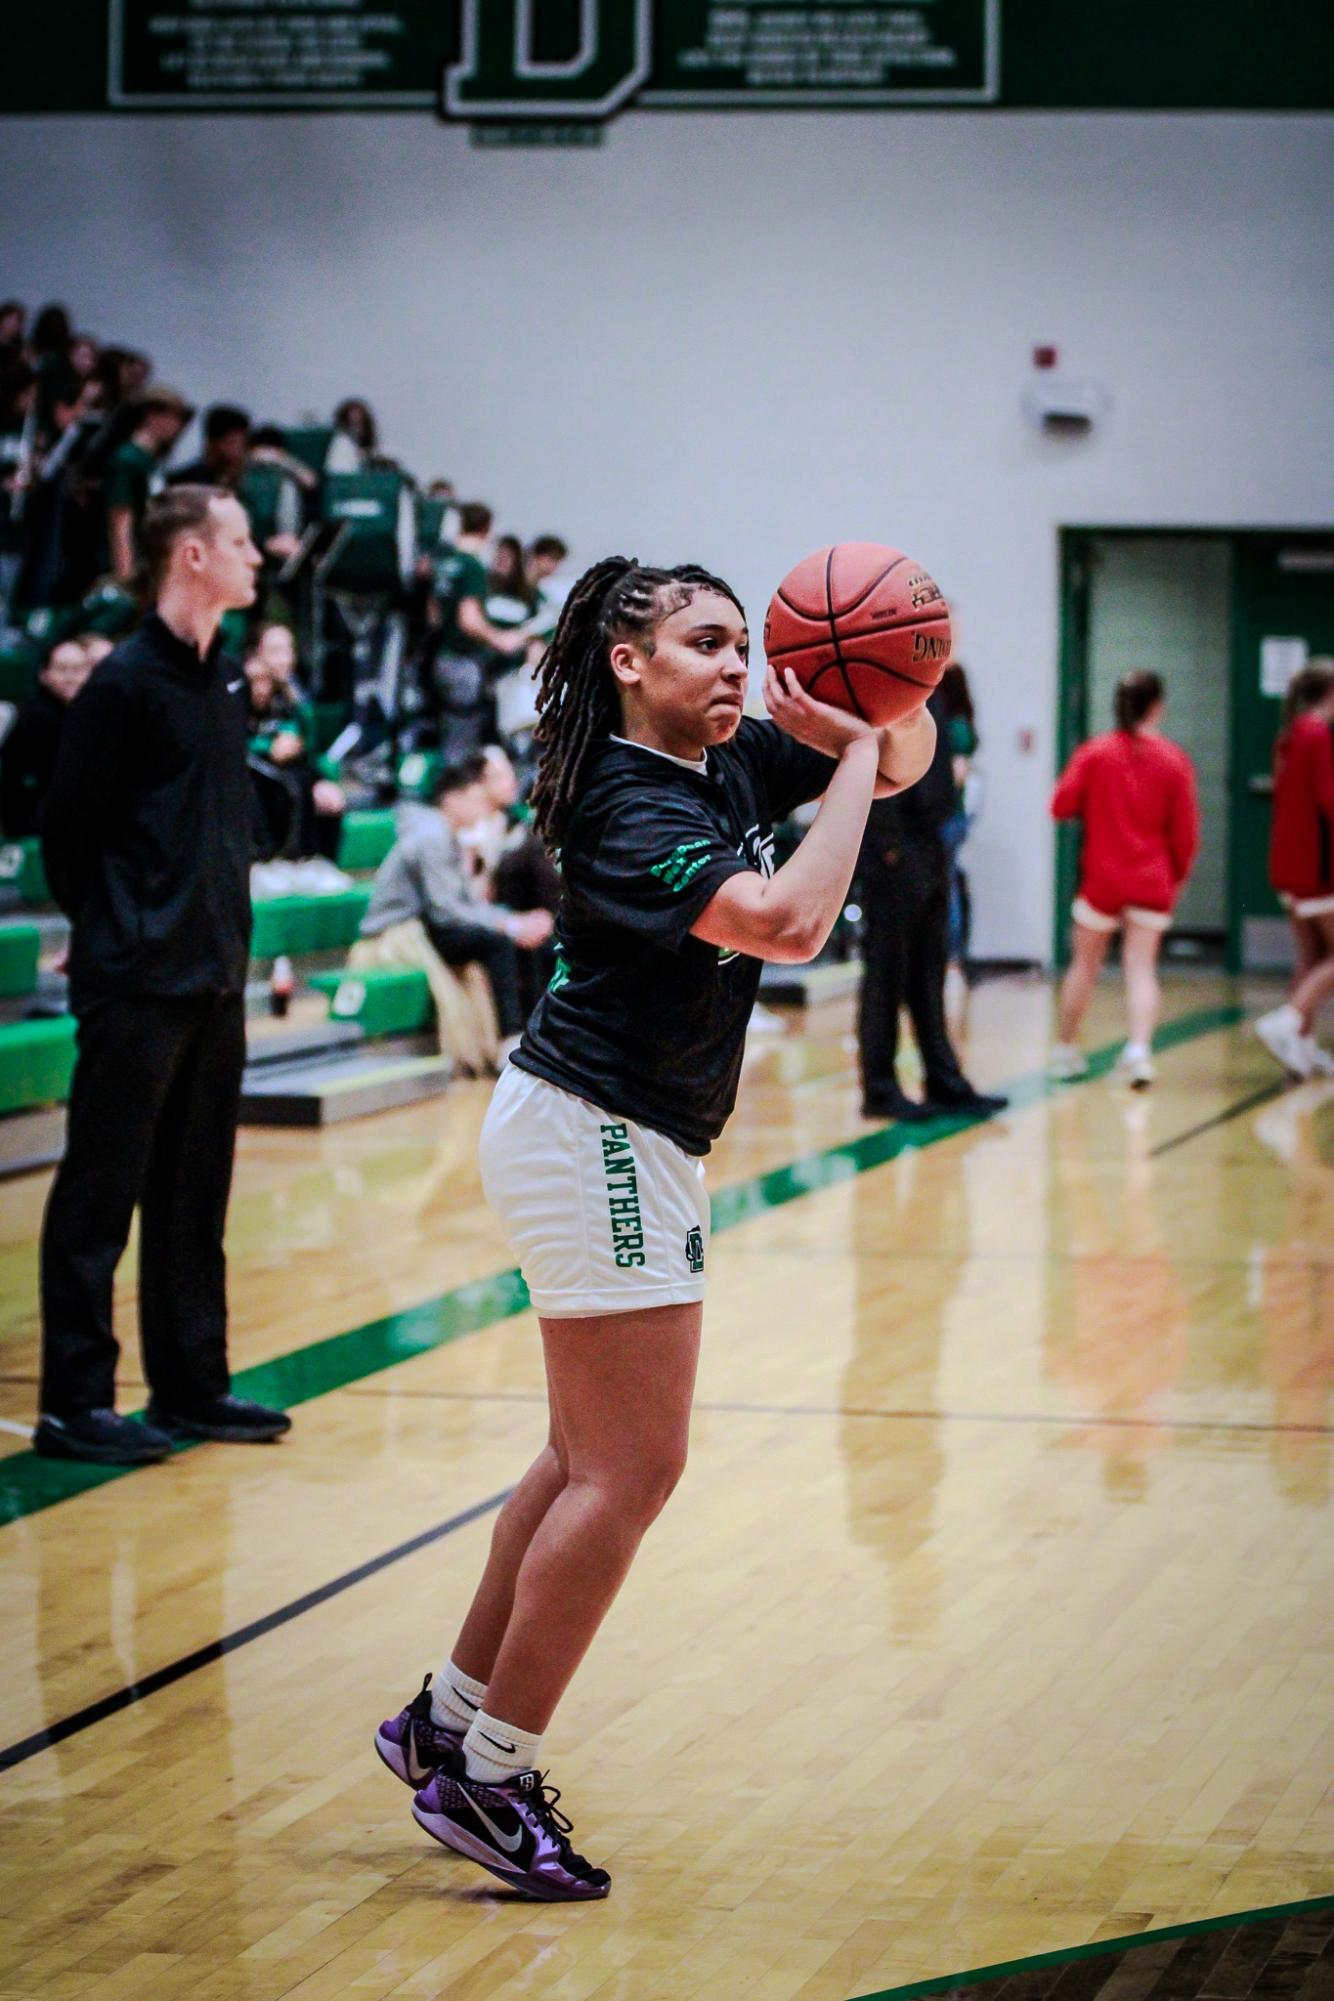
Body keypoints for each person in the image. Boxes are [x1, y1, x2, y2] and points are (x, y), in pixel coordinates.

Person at [373, 556, 936, 1900]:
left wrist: (885, 680)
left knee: (578, 1459)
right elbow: (788, 922)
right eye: (704, 642)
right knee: (632, 1472)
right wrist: (850, 749)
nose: (735, 666)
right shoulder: (625, 801)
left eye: (745, 641)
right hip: (597, 1130)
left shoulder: (725, 762)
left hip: (608, 1129)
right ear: (628, 662)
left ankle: (446, 1719)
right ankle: (491, 1780)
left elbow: (903, 761)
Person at [34, 486, 290, 1466]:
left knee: (194, 1194)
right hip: (137, 977)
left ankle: (190, 1385)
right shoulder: (121, 683)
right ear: (190, 556)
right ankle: (75, 1400)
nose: (256, 557)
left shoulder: (223, 679)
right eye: (239, 542)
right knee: (102, 1191)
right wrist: (120, 934)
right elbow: (67, 836)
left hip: (214, 973)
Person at [857, 685, 1009, 1122]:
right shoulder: (881, 688)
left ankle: (944, 1080)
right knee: (886, 975)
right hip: (895, 853)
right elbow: (871, 771)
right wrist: (889, 848)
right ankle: (880, 1088)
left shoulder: (935, 691)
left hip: (932, 846)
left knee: (929, 972)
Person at [1049, 670, 1199, 1088]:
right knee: (1141, 968)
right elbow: (1186, 832)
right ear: (1157, 706)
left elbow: (1060, 805)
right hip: (1151, 879)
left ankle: (1065, 1050)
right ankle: (1138, 1052)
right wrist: (1178, 876)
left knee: (1085, 964)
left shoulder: (1095, 753)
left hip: (1102, 878)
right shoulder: (1174, 759)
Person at [359, 756, 553, 1051]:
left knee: (524, 940)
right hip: (401, 930)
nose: (481, 808)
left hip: (429, 921)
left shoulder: (447, 835)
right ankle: (510, 1038)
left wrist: (513, 921)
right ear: (452, 799)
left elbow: (461, 904)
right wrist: (509, 924)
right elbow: (445, 909)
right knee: (498, 942)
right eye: (475, 800)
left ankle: (538, 1032)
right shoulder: (432, 837)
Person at [1253, 659, 1334, 1078]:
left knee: (1312, 956)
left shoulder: (1290, 735)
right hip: (1315, 865)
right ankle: (1286, 1021)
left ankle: (1299, 1048)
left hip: (1288, 861)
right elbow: (1328, 799)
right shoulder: (1317, 734)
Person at [428, 502, 531, 758]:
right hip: (462, 660)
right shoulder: (472, 567)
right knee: (462, 740)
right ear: (486, 530)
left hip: (440, 656)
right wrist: (500, 639)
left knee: (448, 729)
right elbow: (469, 620)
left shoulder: (443, 563)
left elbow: (433, 615)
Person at [244, 622, 345, 862]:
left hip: (291, 770)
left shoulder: (293, 693)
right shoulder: (240, 687)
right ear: (255, 655)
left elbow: (305, 744)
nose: (284, 659)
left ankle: (320, 863)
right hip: (254, 776)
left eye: (289, 650)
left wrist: (320, 781)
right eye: (275, 651)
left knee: (327, 794)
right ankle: (265, 861)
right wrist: (267, 747)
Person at [0, 638, 93, 836]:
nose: (70, 677)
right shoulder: (38, 719)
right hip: (35, 830)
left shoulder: (82, 713)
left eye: (78, 669)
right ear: (44, 674)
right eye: (62, 668)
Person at [103, 386, 194, 584]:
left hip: (146, 556)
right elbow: (120, 517)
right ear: (152, 415)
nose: (177, 426)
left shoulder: (152, 460)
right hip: (125, 560)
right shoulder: (127, 458)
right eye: (173, 418)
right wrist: (125, 574)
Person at [937, 661, 978, 1025]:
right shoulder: (961, 723)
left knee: (945, 886)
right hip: (953, 815)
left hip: (947, 816)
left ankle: (950, 961)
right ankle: (949, 960)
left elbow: (957, 776)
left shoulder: (956, 728)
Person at [167, 402, 251, 490]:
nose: (238, 453)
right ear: (212, 442)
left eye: (242, 445)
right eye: (231, 443)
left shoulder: (243, 484)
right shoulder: (183, 483)